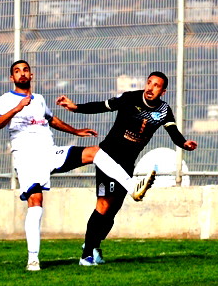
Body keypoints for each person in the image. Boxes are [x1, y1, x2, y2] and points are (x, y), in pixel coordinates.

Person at [0, 60, 151, 272]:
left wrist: (76, 131)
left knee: (95, 152)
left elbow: (51, 120)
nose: (22, 74)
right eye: (17, 71)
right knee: (36, 202)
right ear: (12, 77)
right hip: (27, 158)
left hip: (49, 152)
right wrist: (17, 108)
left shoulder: (38, 99)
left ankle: (132, 187)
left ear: (31, 75)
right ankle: (33, 259)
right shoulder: (6, 99)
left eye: (25, 70)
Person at [56, 70, 197, 266]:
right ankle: (86, 255)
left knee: (113, 210)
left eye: (156, 86)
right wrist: (75, 107)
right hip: (108, 158)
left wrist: (184, 143)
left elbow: (173, 132)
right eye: (149, 83)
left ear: (163, 91)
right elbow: (102, 106)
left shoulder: (164, 110)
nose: (150, 88)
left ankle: (94, 245)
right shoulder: (130, 98)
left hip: (127, 164)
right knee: (103, 205)